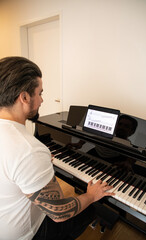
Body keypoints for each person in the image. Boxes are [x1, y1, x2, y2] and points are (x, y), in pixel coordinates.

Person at [0, 56, 114, 240]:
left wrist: (38, 163)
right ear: (24, 97)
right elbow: (59, 213)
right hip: (28, 234)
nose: (42, 100)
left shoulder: (23, 148)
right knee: (91, 208)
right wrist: (92, 196)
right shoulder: (28, 150)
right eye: (40, 93)